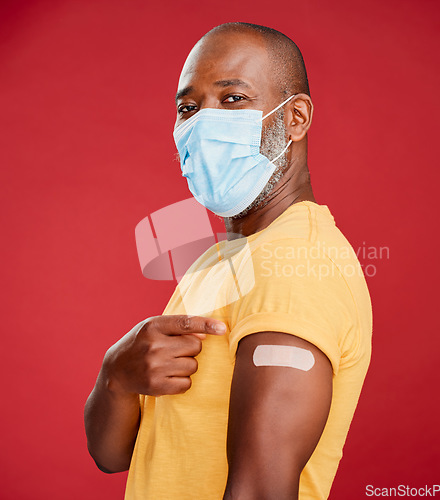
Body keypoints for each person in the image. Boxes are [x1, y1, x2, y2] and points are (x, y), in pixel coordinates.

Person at [84, 22, 373, 500]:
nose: (203, 122)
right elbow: (115, 455)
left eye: (233, 99)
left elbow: (260, 491)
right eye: (188, 108)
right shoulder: (220, 262)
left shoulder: (294, 266)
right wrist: (114, 375)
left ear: (295, 117)